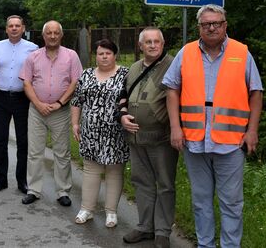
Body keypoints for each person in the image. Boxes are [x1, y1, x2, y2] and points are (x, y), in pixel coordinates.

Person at [163, 4, 263, 248]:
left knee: (231, 202)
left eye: (216, 23)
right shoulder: (185, 53)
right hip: (194, 141)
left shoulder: (242, 52)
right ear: (199, 27)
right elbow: (172, 89)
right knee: (201, 201)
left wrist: (252, 131)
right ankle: (205, 244)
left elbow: (256, 92)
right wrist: (175, 128)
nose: (211, 27)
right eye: (206, 24)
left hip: (230, 143)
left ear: (225, 25)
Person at [119, 28, 177, 248]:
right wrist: (122, 116)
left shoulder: (173, 65)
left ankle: (162, 231)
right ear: (140, 45)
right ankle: (145, 227)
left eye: (157, 41)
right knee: (141, 182)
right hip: (135, 137)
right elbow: (123, 95)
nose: (153, 45)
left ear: (163, 44)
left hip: (161, 138)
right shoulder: (134, 68)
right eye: (148, 42)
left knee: (165, 184)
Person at [19, 20, 82, 207]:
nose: (52, 36)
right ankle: (34, 190)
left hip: (60, 111)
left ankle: (63, 191)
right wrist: (38, 104)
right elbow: (26, 83)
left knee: (62, 153)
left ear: (61, 35)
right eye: (49, 33)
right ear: (43, 35)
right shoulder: (33, 57)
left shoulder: (71, 56)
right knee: (34, 152)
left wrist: (60, 102)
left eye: (56, 33)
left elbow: (75, 82)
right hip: (37, 111)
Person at [71, 39, 129, 228]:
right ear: (96, 55)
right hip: (90, 132)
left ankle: (111, 212)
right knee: (91, 170)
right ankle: (87, 209)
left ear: (115, 55)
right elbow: (77, 101)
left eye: (108, 53)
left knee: (114, 171)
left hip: (116, 133)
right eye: (100, 53)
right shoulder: (87, 74)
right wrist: (75, 123)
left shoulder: (125, 75)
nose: (104, 57)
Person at [0, 15, 38, 194]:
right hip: (0, 98)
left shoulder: (33, 49)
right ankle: (0, 178)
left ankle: (22, 180)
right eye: (11, 26)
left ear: (23, 29)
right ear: (6, 29)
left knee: (23, 141)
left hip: (23, 99)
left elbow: (37, 76)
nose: (14, 28)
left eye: (17, 26)